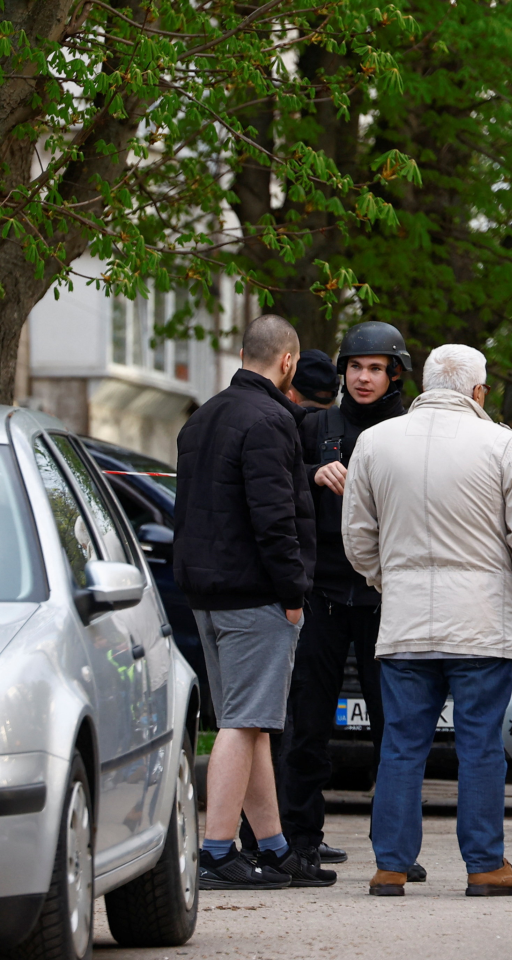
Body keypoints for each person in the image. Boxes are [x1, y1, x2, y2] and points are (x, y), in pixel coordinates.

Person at [342, 344, 512, 898]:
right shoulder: (503, 443)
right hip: (482, 623)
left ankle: (391, 864)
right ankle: (484, 865)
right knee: (480, 745)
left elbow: (357, 539)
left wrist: (389, 582)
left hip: (406, 623)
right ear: (478, 392)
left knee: (401, 745)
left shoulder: (374, 442)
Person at [174, 315, 329, 890]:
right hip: (255, 592)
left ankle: (275, 847)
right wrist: (293, 593)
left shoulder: (204, 415)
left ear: (244, 354)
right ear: (288, 363)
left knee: (255, 721)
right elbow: (275, 518)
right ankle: (215, 850)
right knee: (243, 724)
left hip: (206, 592)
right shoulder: (270, 420)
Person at [276, 322, 412, 870]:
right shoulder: (315, 426)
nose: (363, 377)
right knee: (307, 725)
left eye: (375, 368)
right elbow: (276, 483)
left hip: (388, 598)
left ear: (394, 374)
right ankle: (300, 840)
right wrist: (310, 473)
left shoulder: (411, 430)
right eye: (355, 367)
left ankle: (395, 850)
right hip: (323, 596)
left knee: (396, 730)